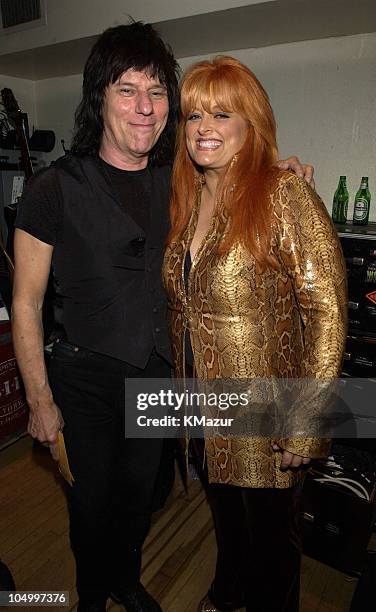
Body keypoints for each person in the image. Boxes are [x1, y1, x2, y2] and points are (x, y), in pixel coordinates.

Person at [12, 21, 315, 612]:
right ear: (99, 96)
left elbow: (239, 173)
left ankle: (126, 579)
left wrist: (282, 175)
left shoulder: (179, 180)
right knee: (90, 504)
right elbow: (25, 303)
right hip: (84, 379)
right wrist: (40, 400)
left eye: (156, 92)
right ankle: (93, 594)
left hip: (158, 375)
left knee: (139, 499)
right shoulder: (54, 187)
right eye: (128, 90)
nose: (145, 108)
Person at [163, 56, 347, 612]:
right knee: (225, 517)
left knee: (273, 544)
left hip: (269, 413)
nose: (205, 127)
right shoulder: (185, 197)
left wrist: (306, 423)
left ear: (252, 124)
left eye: (223, 113)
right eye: (194, 115)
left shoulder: (283, 194)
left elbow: (329, 311)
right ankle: (228, 589)